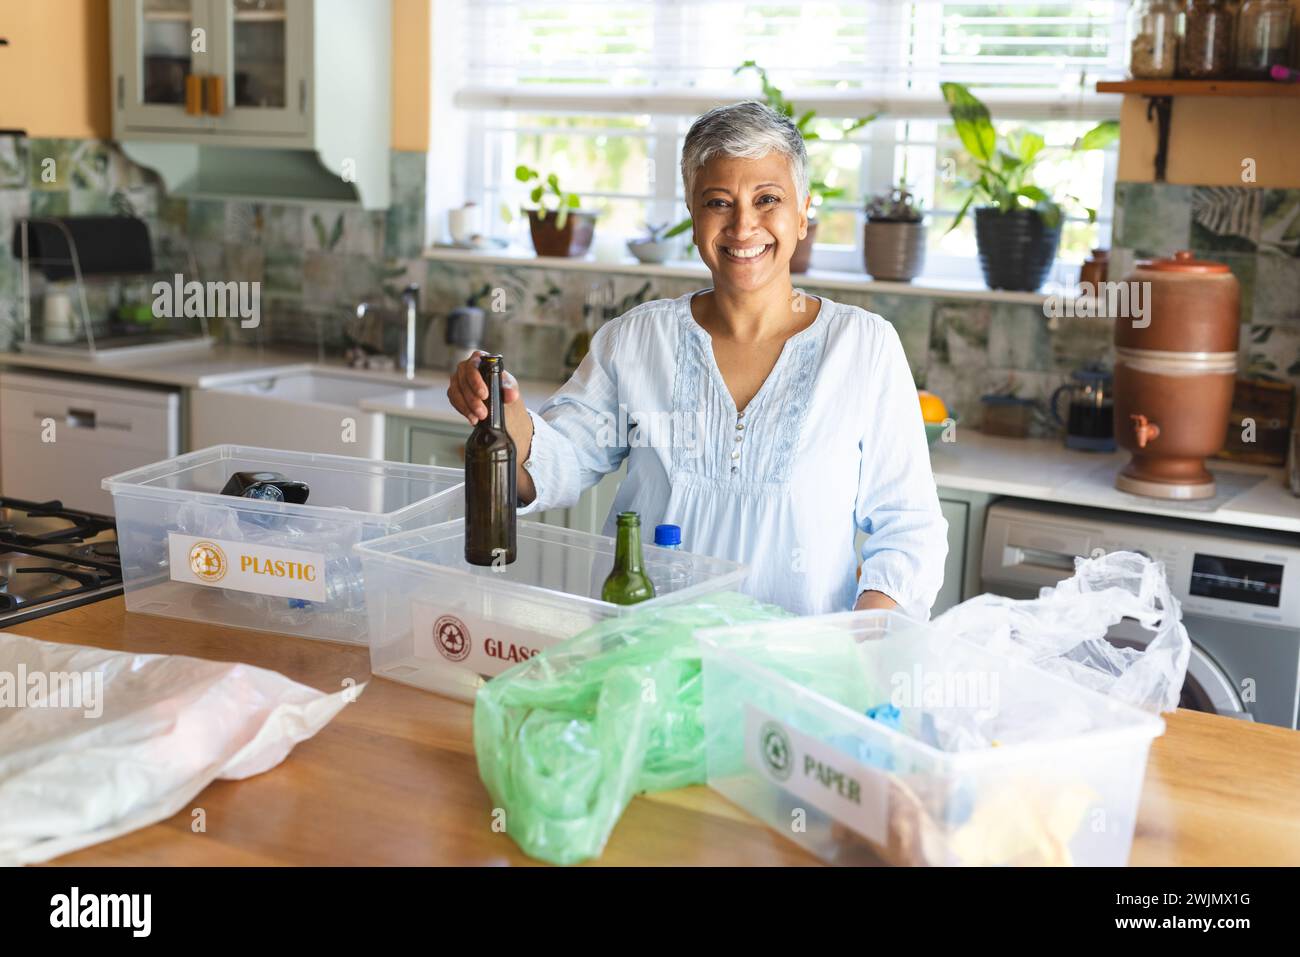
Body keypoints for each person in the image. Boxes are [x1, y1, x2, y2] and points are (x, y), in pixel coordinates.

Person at [448, 101, 948, 619]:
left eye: (768, 199)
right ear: (692, 213)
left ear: (802, 214)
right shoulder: (637, 339)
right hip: (647, 658)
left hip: (798, 671)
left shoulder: (864, 347)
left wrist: (862, 640)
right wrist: (505, 412)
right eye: (718, 202)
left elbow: (909, 527)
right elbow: (563, 461)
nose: (743, 225)